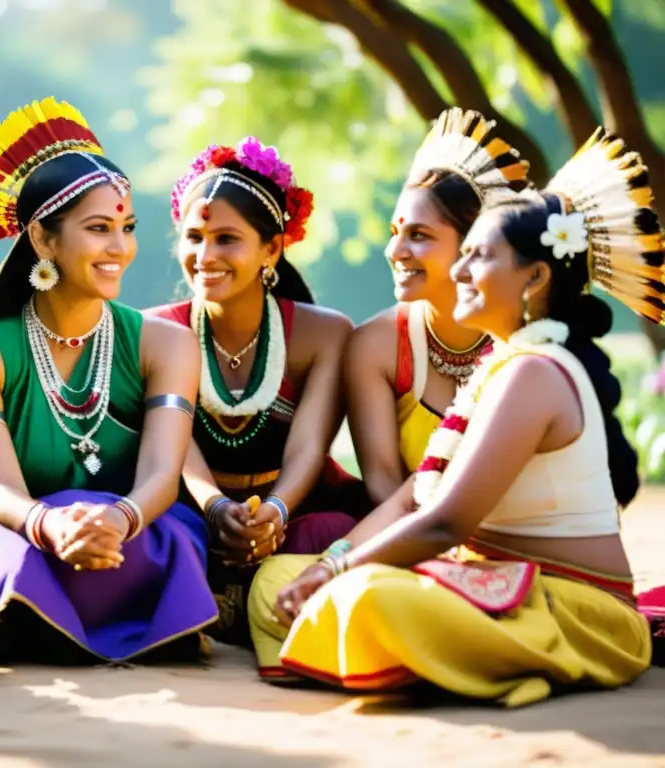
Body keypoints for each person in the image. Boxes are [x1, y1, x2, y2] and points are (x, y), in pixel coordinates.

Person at [246, 127, 662, 705]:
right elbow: (414, 494)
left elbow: (445, 524)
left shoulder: (533, 373)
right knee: (276, 582)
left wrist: (339, 574)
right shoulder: (504, 366)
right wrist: (331, 561)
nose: (462, 271)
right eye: (462, 256)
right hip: (486, 585)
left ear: (535, 277)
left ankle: (367, 642)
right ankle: (371, 642)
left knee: (367, 596)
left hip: (575, 608)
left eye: (478, 256)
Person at [0, 98, 217, 664]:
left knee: (169, 539)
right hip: (28, 536)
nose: (120, 248)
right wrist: (51, 525)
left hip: (136, 536)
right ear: (42, 239)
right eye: (99, 229)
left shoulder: (167, 342)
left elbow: (162, 474)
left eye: (127, 228)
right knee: (15, 552)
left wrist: (117, 517)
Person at [147, 138, 368, 646]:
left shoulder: (325, 334)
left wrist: (276, 514)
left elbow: (311, 447)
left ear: (272, 248)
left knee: (328, 533)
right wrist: (217, 510)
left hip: (291, 507)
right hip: (192, 503)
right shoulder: (156, 332)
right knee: (170, 535)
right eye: (194, 236)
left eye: (227, 238)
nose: (206, 255)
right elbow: (175, 448)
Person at [345, 108, 530, 507]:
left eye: (418, 234)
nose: (394, 251)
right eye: (395, 232)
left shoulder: (525, 344)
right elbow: (383, 485)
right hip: (409, 537)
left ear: (473, 244)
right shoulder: (376, 346)